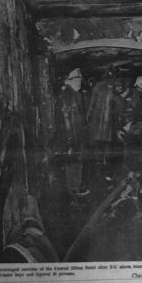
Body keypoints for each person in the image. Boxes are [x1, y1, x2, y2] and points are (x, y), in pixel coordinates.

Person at [56, 68, 88, 196]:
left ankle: (77, 185)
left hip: (77, 133)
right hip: (71, 135)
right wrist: (69, 139)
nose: (79, 82)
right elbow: (66, 118)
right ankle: (74, 189)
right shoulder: (67, 96)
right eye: (76, 80)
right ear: (69, 81)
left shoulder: (75, 94)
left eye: (80, 80)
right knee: (72, 161)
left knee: (77, 160)